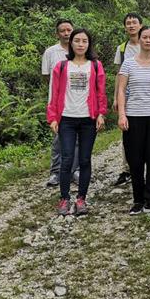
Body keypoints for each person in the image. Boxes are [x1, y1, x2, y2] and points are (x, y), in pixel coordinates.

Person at [46, 28, 107, 216]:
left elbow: (100, 92)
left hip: (88, 119)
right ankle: (64, 199)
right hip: (67, 119)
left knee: (85, 160)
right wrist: (53, 117)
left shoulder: (95, 65)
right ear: (71, 43)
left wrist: (101, 114)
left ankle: (81, 199)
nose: (81, 44)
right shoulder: (62, 67)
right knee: (66, 159)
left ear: (89, 44)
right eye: (77, 40)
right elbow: (54, 93)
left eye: (84, 41)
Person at [117, 26, 150, 215]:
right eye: (145, 37)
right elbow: (121, 90)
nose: (148, 41)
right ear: (139, 40)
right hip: (133, 116)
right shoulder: (128, 64)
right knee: (135, 159)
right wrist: (122, 114)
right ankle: (138, 200)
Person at [41, 19, 78, 188]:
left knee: (77, 138)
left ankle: (74, 171)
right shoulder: (50, 52)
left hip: (77, 102)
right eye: (62, 30)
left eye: (69, 29)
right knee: (58, 139)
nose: (66, 33)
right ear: (57, 33)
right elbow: (47, 77)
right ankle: (56, 172)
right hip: (57, 103)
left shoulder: (79, 49)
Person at [111, 13, 143, 187]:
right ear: (125, 27)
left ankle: (144, 167)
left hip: (146, 93)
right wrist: (116, 96)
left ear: (141, 25)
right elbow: (119, 74)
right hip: (128, 94)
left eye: (134, 23)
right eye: (128, 23)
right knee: (127, 131)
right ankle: (127, 168)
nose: (131, 26)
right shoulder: (122, 48)